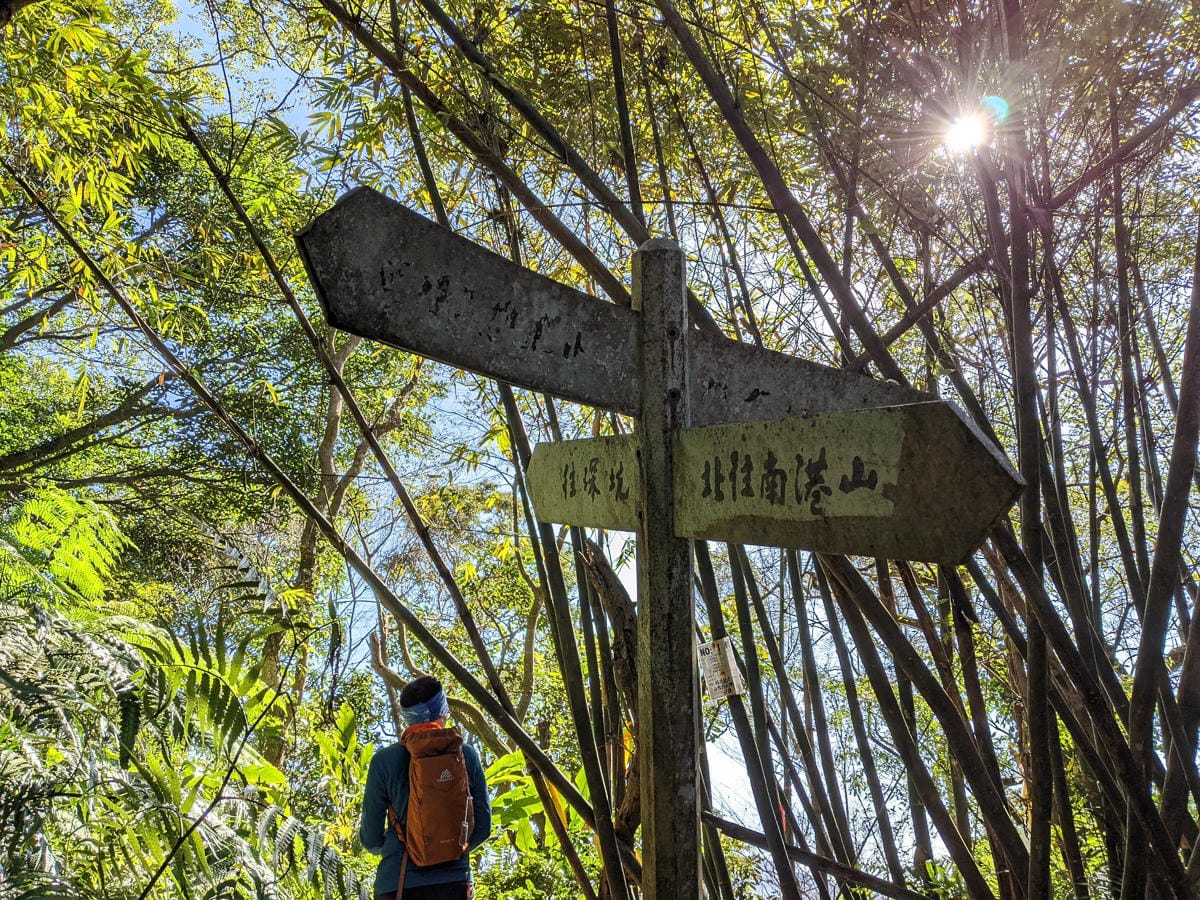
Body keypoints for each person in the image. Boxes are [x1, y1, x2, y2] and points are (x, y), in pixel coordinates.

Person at [360, 675, 492, 900]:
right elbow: (482, 828)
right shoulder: (465, 755)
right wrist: (448, 849)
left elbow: (370, 839)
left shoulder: (384, 761)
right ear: (443, 710)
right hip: (453, 884)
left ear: (407, 717)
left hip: (398, 883)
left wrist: (401, 846)